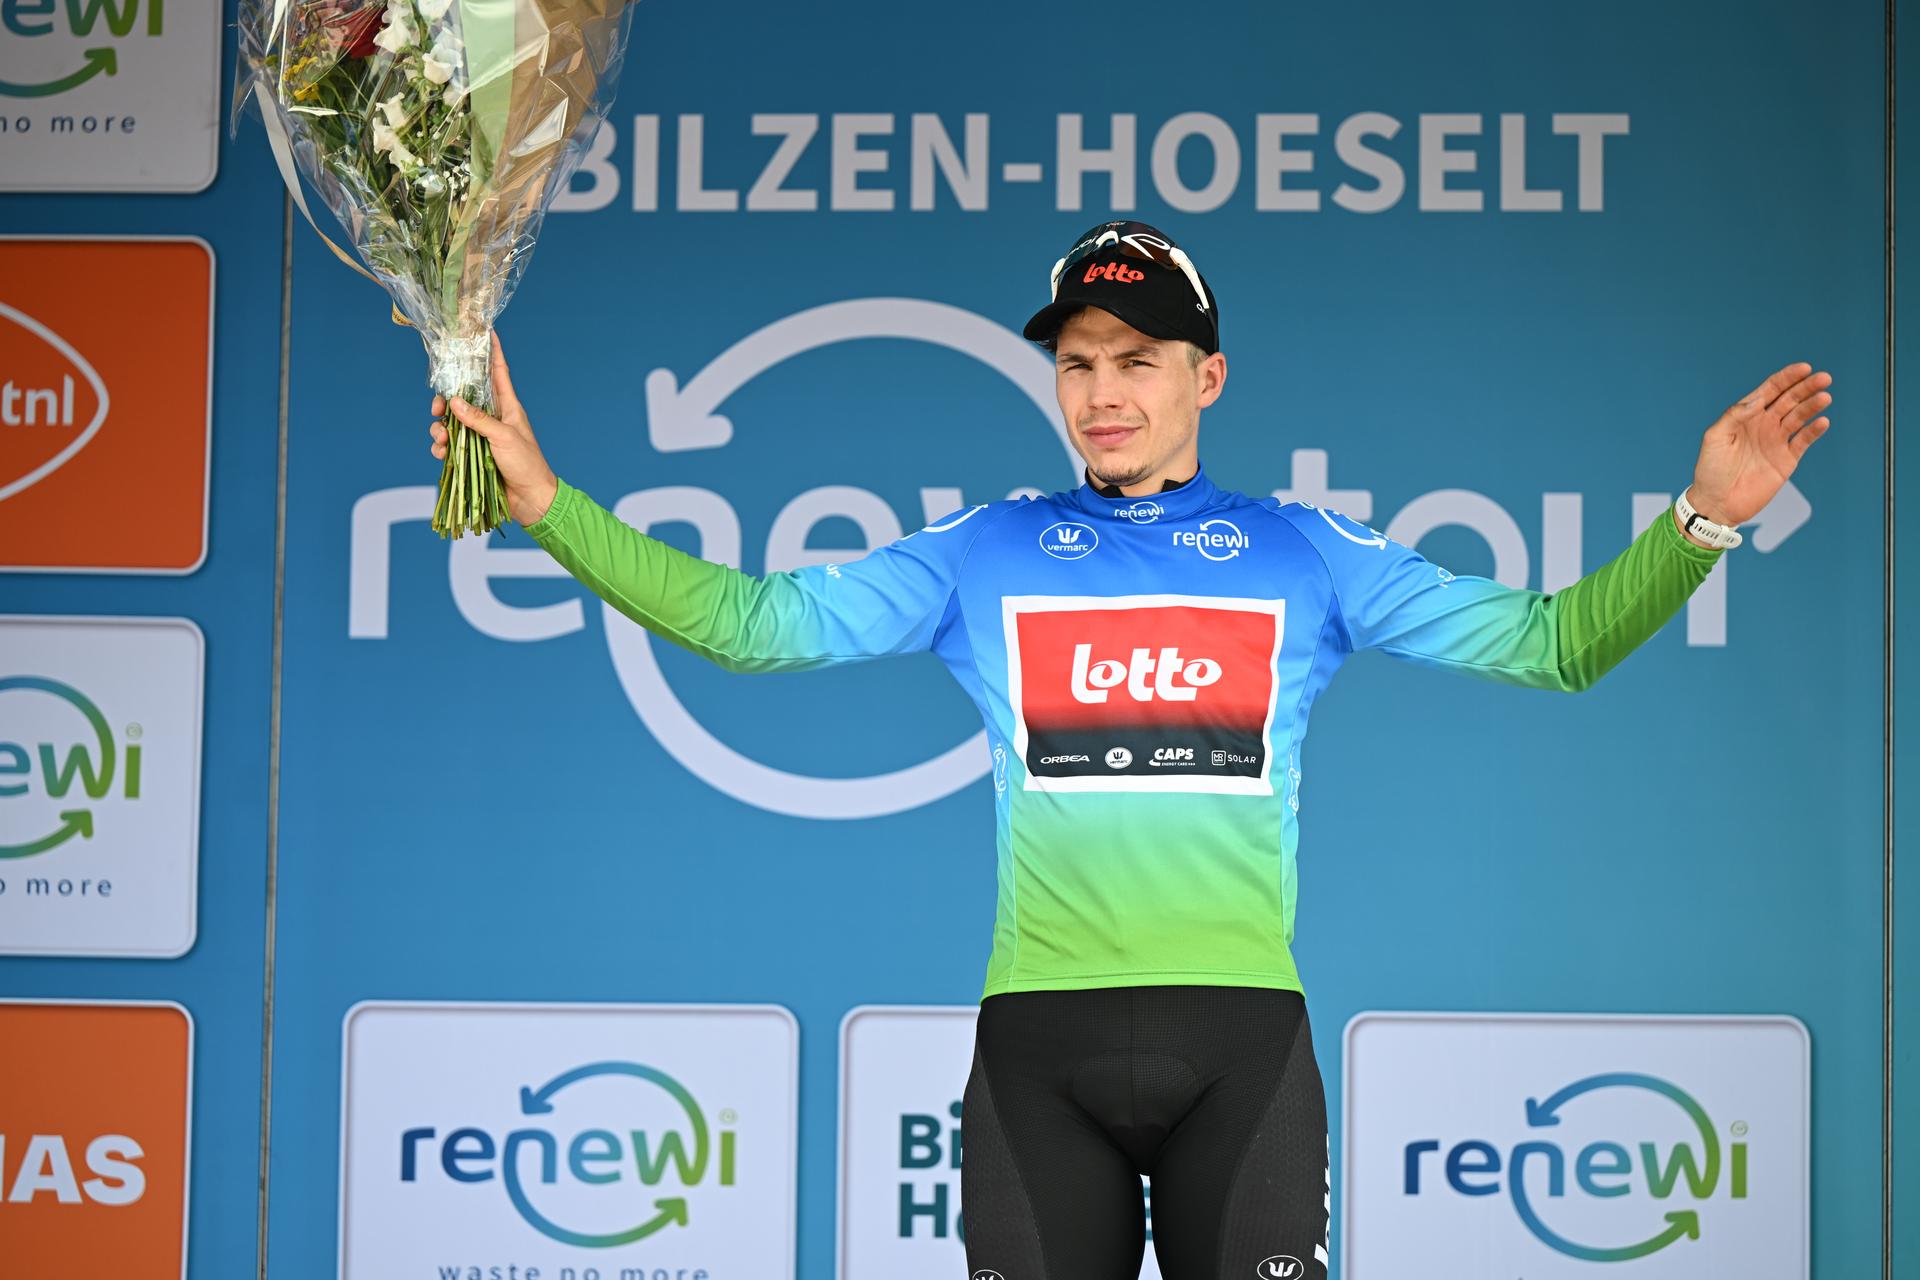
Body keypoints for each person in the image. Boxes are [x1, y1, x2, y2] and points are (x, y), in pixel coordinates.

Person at [428, 221, 1833, 1280]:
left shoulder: (1304, 551)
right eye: (1079, 365)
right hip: (1039, 1051)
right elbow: (748, 623)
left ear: (1206, 375)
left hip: (1247, 1048)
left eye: (1139, 363)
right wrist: (547, 503)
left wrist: (1702, 521)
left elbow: (1558, 644)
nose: (1104, 393)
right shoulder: (983, 549)